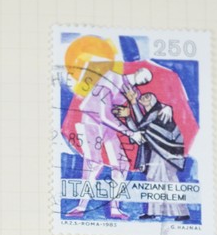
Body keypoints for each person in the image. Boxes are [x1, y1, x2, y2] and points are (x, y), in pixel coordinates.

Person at [65, 66, 157, 220]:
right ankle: (81, 207)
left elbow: (136, 115)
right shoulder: (111, 78)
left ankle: (115, 208)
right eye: (144, 77)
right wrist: (130, 133)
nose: (144, 82)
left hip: (107, 126)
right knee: (94, 163)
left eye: (146, 81)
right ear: (138, 72)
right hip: (91, 122)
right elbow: (104, 115)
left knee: (122, 164)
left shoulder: (131, 90)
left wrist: (160, 109)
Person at [115, 89, 189, 221]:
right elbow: (140, 127)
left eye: (148, 96)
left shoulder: (160, 111)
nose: (144, 97)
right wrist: (130, 112)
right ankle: (154, 211)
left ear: (153, 100)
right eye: (143, 96)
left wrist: (133, 107)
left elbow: (144, 128)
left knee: (167, 179)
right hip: (157, 151)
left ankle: (181, 211)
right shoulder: (150, 115)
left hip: (165, 151)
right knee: (155, 179)